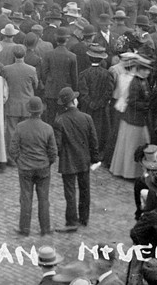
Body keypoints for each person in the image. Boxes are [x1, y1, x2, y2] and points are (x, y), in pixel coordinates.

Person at [52, 86, 99, 232]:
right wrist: (94, 158)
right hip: (84, 159)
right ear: (74, 101)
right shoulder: (87, 118)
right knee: (85, 189)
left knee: (70, 191)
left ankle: (71, 221)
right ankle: (84, 218)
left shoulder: (60, 120)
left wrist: (62, 154)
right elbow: (93, 141)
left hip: (68, 161)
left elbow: (57, 145)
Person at [10, 95, 57, 236]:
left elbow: (13, 149)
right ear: (41, 111)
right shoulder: (48, 128)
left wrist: (19, 161)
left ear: (28, 111)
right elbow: (53, 152)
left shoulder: (20, 127)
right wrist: (47, 163)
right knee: (44, 199)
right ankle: (45, 228)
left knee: (25, 198)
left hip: (25, 168)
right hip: (43, 168)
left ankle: (24, 229)